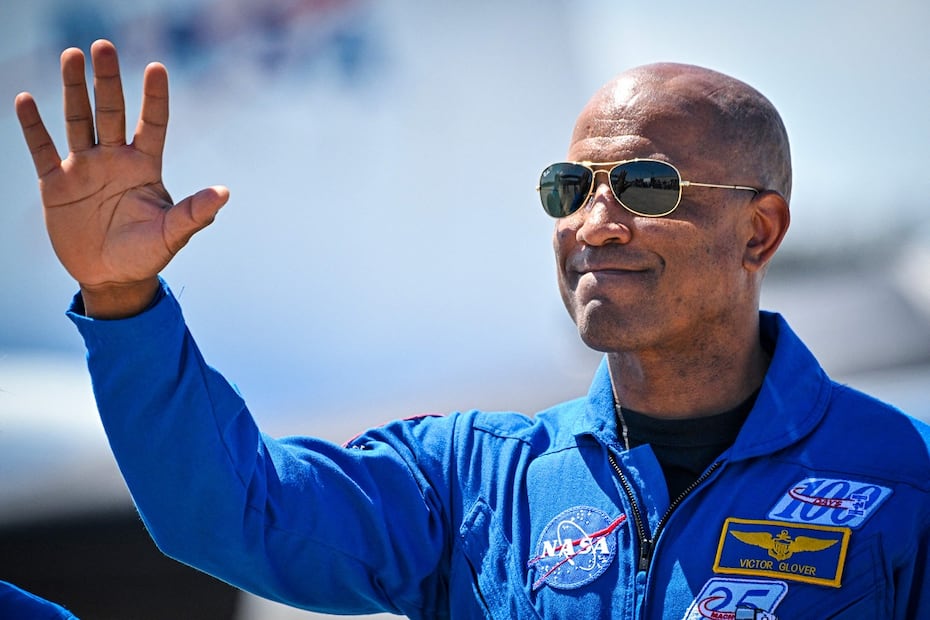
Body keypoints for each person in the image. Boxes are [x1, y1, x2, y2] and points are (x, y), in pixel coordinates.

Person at [15, 39, 930, 619]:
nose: (594, 223)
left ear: (759, 231)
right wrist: (121, 298)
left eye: (645, 188)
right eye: (569, 189)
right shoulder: (469, 479)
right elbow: (232, 515)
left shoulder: (906, 481)